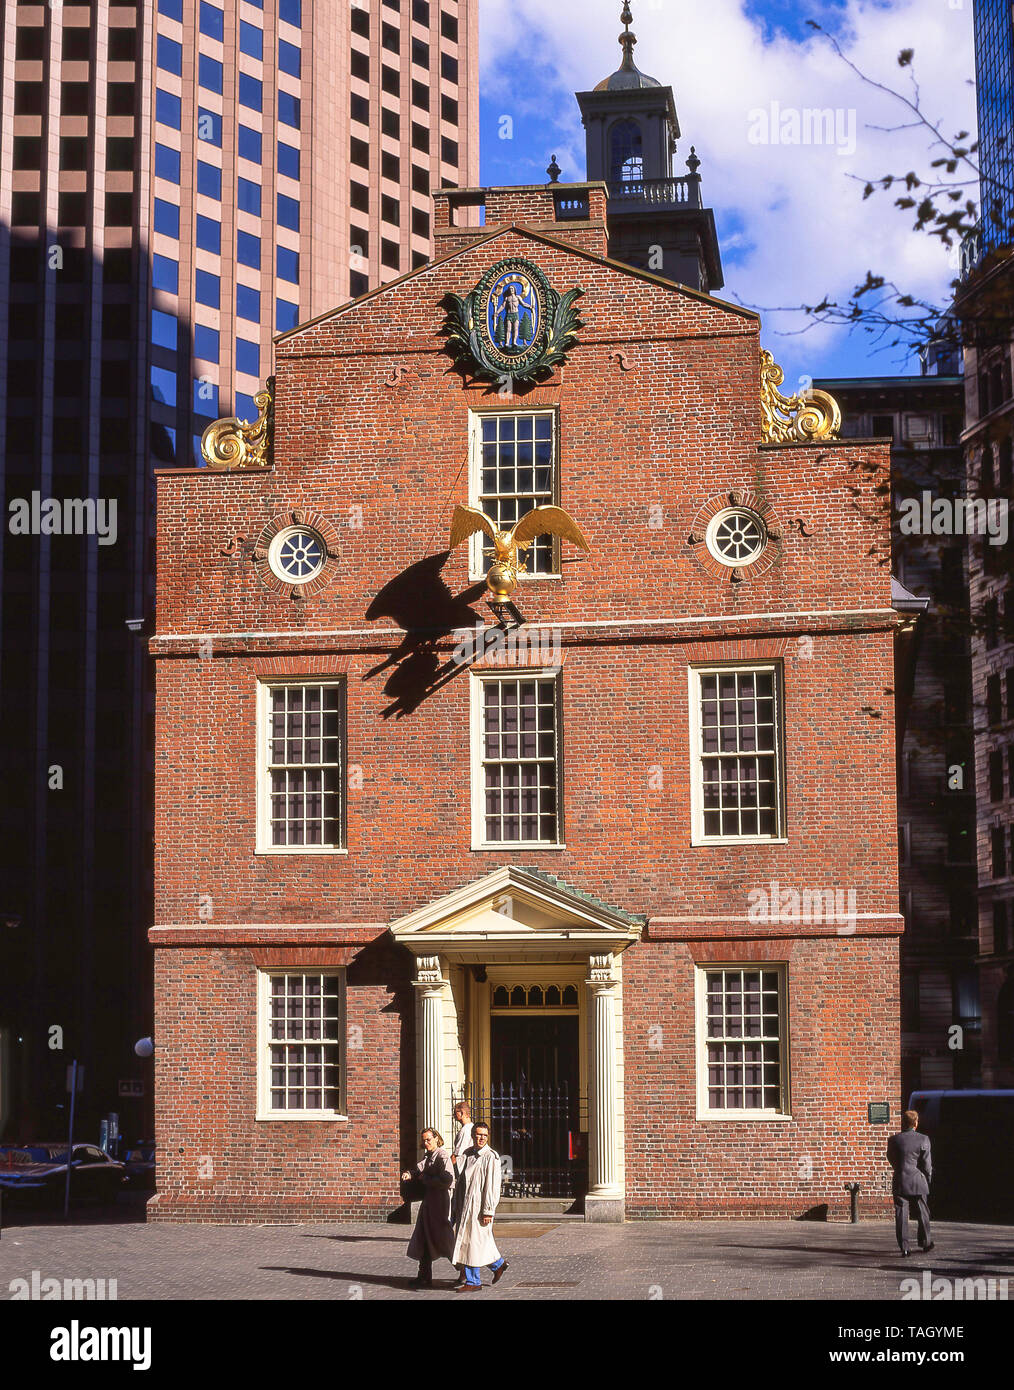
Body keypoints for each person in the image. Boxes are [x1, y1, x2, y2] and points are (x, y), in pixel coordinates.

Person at [452, 1120, 509, 1291]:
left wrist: (488, 1210)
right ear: (473, 1135)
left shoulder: (491, 1157)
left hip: (479, 1207)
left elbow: (492, 1186)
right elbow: (460, 1176)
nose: (482, 1138)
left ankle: (473, 1281)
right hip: (465, 1205)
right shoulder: (468, 1153)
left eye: (485, 1135)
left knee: (473, 1243)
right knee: (476, 1242)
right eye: (478, 1135)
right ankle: (498, 1265)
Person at [402, 1128, 455, 1289]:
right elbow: (419, 1168)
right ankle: (424, 1275)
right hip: (429, 1204)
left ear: (436, 1139)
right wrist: (410, 1174)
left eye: (429, 1139)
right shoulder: (429, 1156)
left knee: (444, 1240)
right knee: (424, 1238)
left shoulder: (442, 1156)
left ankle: (466, 1271)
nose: (426, 1143)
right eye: (424, 1140)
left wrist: (427, 1179)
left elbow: (447, 1179)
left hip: (439, 1204)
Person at [887, 1109, 935, 1257]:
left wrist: (900, 1169)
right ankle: (926, 1242)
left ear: (903, 1122)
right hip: (918, 1180)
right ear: (916, 1123)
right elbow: (927, 1165)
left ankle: (904, 1247)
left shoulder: (894, 1140)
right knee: (923, 1213)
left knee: (901, 1214)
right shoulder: (923, 1139)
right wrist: (928, 1178)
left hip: (901, 1179)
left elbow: (891, 1158)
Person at [450, 1101, 474, 1174]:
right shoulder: (472, 1127)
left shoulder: (465, 1130)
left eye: (455, 1113)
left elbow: (457, 1155)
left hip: (461, 1169)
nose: (453, 1116)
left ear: (462, 1113)